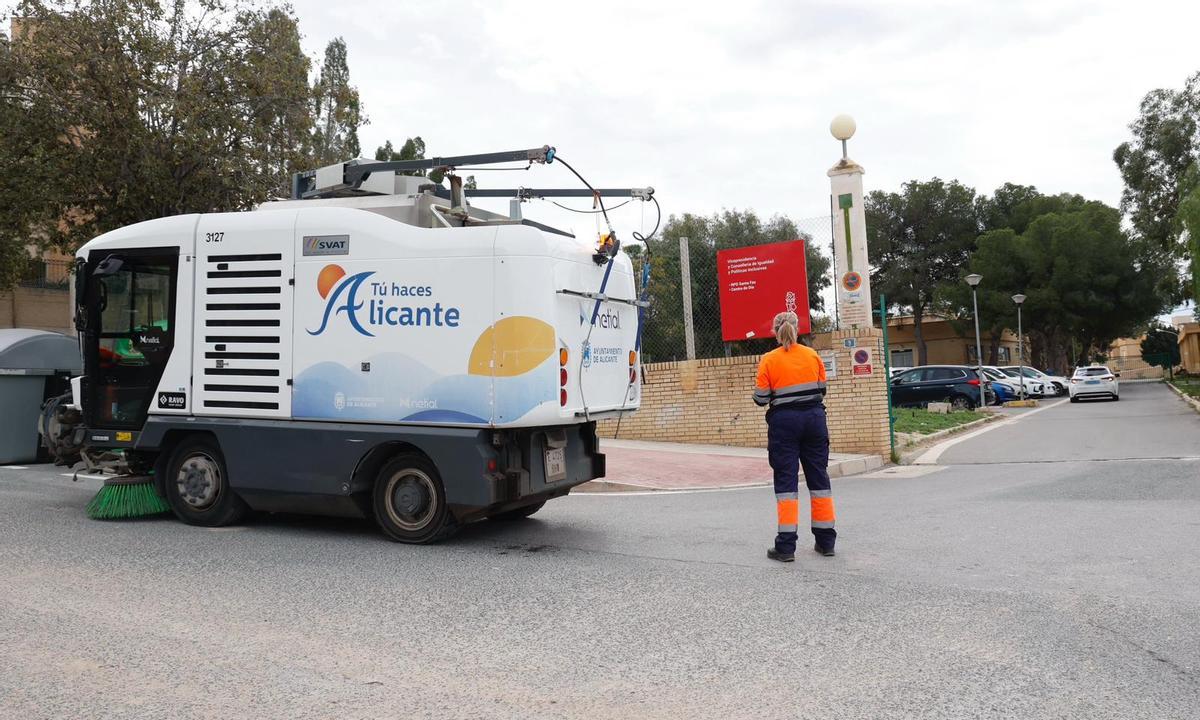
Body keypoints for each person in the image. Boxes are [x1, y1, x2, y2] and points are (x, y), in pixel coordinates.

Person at [753, 311, 836, 562]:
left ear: (775, 331)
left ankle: (786, 547)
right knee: (819, 478)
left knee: (787, 485)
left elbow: (760, 399)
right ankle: (826, 542)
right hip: (814, 420)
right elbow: (822, 389)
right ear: (797, 329)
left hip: (784, 423)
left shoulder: (769, 360)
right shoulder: (813, 356)